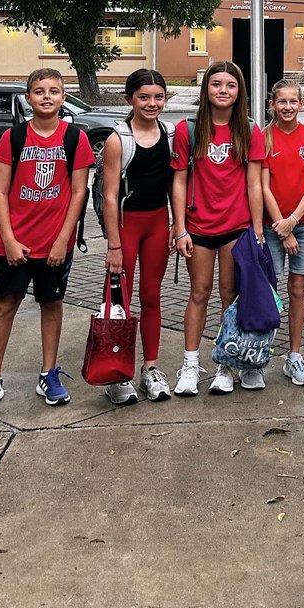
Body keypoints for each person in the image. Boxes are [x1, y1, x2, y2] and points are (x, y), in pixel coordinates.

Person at [0, 68, 94, 414]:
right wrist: (8, 239)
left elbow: (79, 192)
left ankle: (49, 373)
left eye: (54, 90)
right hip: (16, 245)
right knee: (5, 304)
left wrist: (62, 239)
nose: (47, 96)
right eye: (39, 91)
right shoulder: (14, 138)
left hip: (55, 245)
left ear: (63, 97)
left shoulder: (75, 138)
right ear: (28, 98)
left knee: (51, 306)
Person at [170, 61, 265, 396]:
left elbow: (254, 184)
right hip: (198, 227)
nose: (223, 90)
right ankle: (191, 365)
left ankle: (226, 364)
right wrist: (179, 227)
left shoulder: (250, 130)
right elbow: (179, 181)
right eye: (216, 84)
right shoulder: (188, 129)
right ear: (206, 89)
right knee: (199, 293)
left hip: (236, 228)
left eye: (230, 85)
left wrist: (256, 231)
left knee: (230, 296)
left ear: (240, 91)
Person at [100, 69, 175, 406]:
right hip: (127, 227)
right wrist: (114, 244)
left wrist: (177, 225)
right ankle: (116, 373)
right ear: (130, 98)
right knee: (118, 301)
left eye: (158, 97)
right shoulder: (118, 139)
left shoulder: (170, 134)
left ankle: (151, 368)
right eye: (144, 97)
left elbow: (176, 184)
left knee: (151, 296)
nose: (152, 103)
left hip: (158, 222)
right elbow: (111, 195)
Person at [261, 79, 304, 386]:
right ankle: (258, 353)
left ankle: (294, 355)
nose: (287, 107)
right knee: (269, 292)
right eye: (281, 101)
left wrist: (294, 220)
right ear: (272, 104)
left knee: (298, 288)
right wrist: (282, 227)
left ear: (301, 104)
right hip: (273, 228)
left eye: (293, 102)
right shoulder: (264, 138)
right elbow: (262, 186)